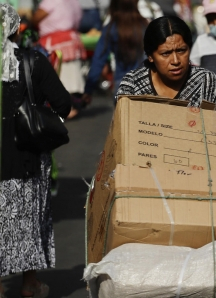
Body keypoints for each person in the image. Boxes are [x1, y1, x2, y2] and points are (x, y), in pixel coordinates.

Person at [0, 4, 72, 298]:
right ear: (17, 29)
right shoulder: (32, 62)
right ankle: (30, 283)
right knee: (28, 220)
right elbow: (63, 104)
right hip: (26, 159)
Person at [116, 16, 216, 105]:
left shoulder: (206, 82)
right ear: (150, 56)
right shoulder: (133, 85)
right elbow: (122, 128)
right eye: (166, 53)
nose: (175, 61)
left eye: (181, 51)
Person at [83, 0, 149, 105]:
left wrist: (88, 90)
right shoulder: (145, 26)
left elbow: (98, 60)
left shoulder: (111, 28)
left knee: (122, 120)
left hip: (122, 84)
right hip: (147, 84)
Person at [32, 0, 86, 119]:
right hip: (71, 38)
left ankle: (63, 106)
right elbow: (78, 20)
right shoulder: (75, 2)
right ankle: (72, 103)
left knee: (58, 75)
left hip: (55, 41)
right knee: (71, 75)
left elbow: (36, 18)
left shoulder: (50, 1)